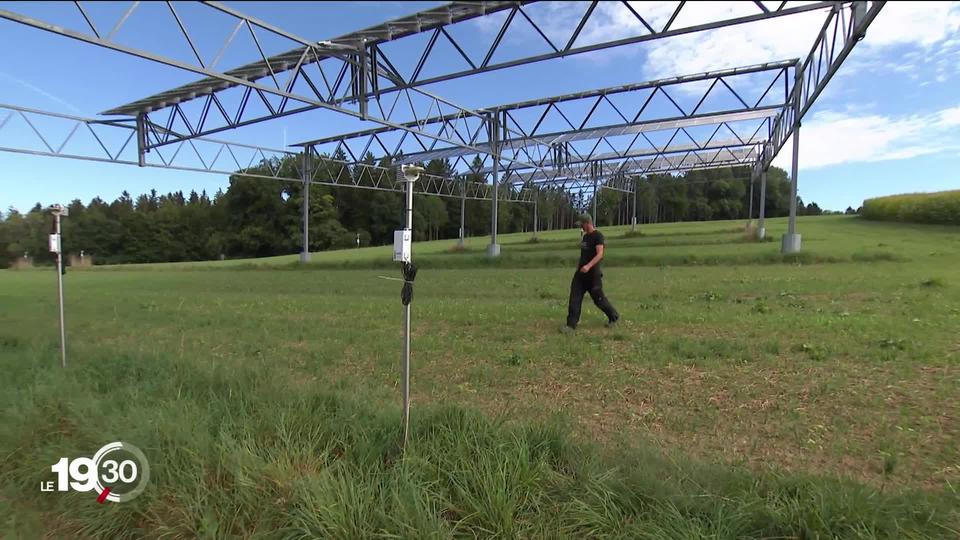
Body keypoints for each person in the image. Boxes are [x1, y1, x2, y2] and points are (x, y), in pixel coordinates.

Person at [564, 214, 619, 331]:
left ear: (587, 223)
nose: (581, 227)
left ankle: (613, 317)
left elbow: (600, 254)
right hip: (580, 274)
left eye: (582, 225)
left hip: (592, 275)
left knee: (599, 300)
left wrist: (588, 266)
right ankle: (570, 325)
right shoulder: (585, 237)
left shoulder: (598, 236)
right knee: (574, 298)